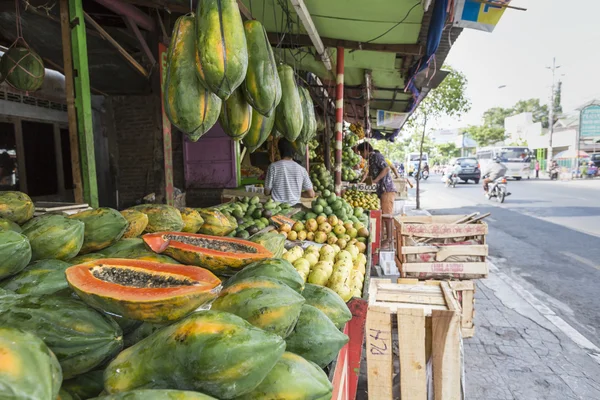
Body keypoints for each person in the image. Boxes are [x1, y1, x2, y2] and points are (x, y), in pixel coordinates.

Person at [356, 142, 396, 247]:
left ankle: (389, 239)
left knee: (387, 216)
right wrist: (361, 182)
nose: (361, 155)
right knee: (382, 215)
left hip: (386, 189)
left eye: (361, 152)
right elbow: (368, 172)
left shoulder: (377, 156)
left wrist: (375, 180)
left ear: (366, 150)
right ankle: (383, 238)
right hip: (380, 191)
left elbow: (386, 168)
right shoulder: (370, 159)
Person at [264, 139, 315, 205]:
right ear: (294, 151)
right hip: (296, 209)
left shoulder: (273, 167)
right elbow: (311, 194)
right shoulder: (302, 170)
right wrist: (298, 193)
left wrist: (275, 191)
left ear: (280, 151)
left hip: (277, 209)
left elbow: (266, 192)